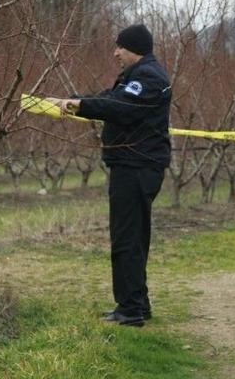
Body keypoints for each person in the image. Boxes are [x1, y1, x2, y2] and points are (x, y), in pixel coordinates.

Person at [46, 24, 171, 327]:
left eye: (120, 47)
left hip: (136, 166)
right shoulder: (137, 76)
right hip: (136, 165)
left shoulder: (148, 78)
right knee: (135, 237)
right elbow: (108, 97)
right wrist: (72, 101)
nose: (115, 53)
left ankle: (129, 311)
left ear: (135, 49)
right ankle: (138, 303)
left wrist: (79, 105)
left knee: (126, 238)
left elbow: (119, 107)